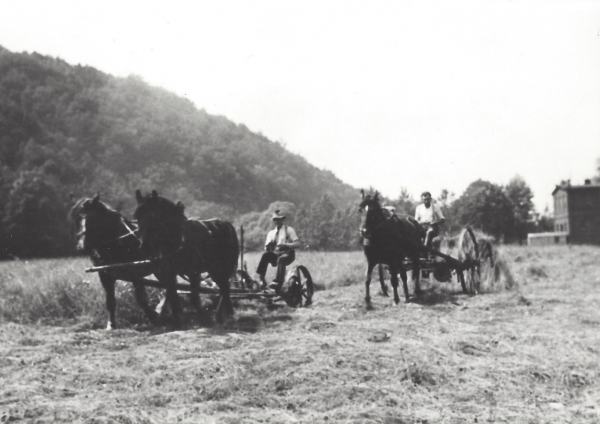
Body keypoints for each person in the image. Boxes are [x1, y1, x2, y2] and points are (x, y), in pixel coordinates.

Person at [255, 210, 301, 291]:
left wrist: (286, 245)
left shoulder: (289, 230)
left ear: (283, 220)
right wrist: (269, 247)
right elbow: (266, 248)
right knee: (265, 255)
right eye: (275, 219)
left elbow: (297, 244)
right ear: (273, 221)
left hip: (288, 254)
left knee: (281, 259)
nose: (277, 221)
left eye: (279, 219)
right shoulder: (271, 233)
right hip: (276, 254)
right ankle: (261, 279)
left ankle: (278, 282)